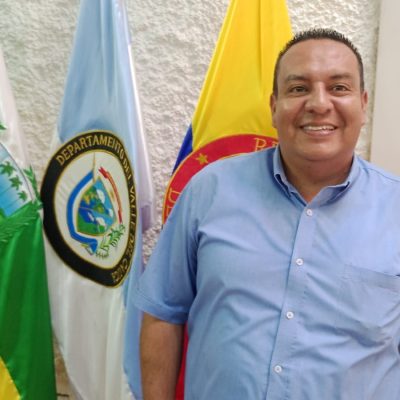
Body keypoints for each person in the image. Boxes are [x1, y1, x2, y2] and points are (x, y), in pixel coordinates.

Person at [133, 28, 400, 399]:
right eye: (298, 88)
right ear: (274, 106)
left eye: (338, 87)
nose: (319, 103)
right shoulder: (210, 190)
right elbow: (163, 313)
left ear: (363, 103)